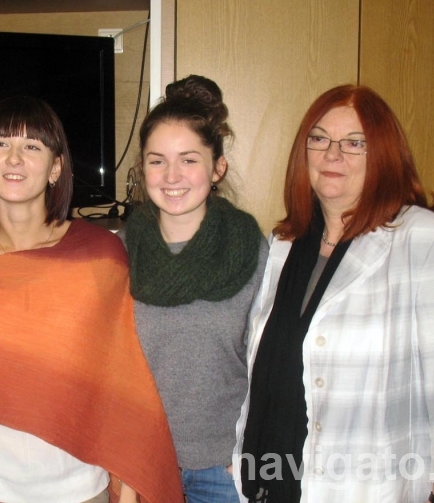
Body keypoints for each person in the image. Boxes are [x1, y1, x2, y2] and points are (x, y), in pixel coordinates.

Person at [233, 84, 434, 502]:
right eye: (319, 139)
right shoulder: (284, 244)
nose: (332, 155)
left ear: (384, 155)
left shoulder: (425, 241)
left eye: (355, 143)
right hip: (272, 482)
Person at [0, 96, 182, 503]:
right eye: (1, 143)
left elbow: (127, 376)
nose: (14, 158)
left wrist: (130, 487)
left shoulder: (100, 257)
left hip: (76, 490)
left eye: (32, 146)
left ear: (55, 168)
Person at [119, 75, 267, 503]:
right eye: (157, 161)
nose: (171, 176)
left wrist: (248, 456)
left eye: (188, 160)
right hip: (141, 465)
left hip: (223, 470)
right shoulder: (120, 252)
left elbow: (270, 366)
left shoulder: (251, 251)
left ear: (217, 167)